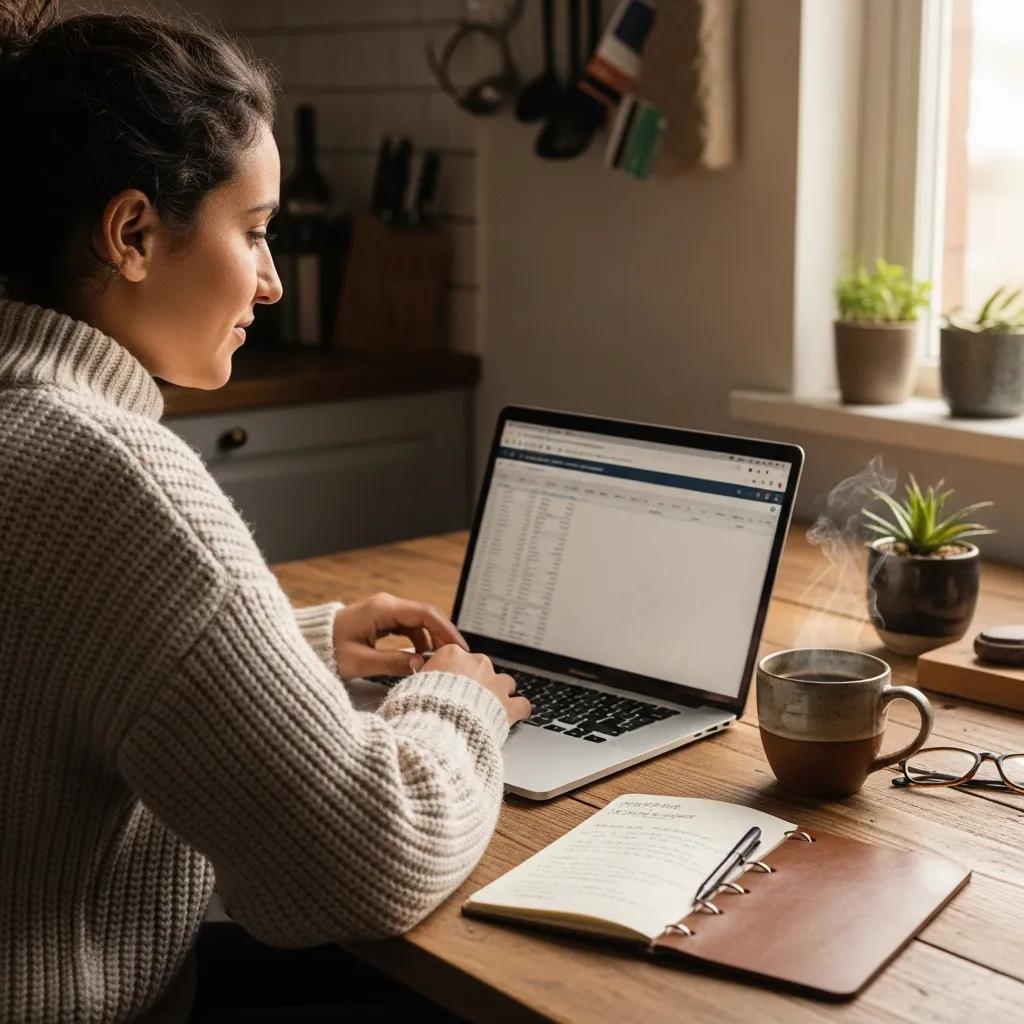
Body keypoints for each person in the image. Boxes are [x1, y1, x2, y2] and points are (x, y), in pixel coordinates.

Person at [0, 2, 530, 1021]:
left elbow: (42, 656)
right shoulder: (111, 474)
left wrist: (305, 643)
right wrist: (457, 700)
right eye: (253, 233)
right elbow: (364, 859)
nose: (275, 281)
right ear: (134, 233)